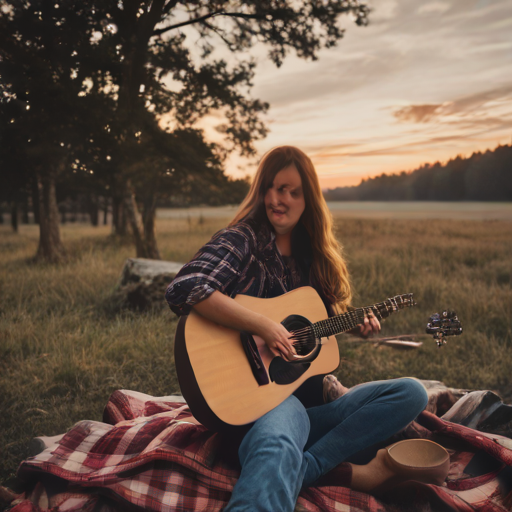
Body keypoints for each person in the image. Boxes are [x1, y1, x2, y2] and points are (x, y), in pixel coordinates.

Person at [165, 146, 430, 512]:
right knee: (281, 438)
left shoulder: (311, 257)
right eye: (273, 188)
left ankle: (307, 468)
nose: (280, 199)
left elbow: (313, 326)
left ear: (309, 199)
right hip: (256, 406)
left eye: (293, 191)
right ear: (262, 191)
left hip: (308, 407)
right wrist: (263, 325)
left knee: (411, 394)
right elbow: (186, 287)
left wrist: (356, 326)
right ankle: (310, 468)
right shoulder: (242, 239)